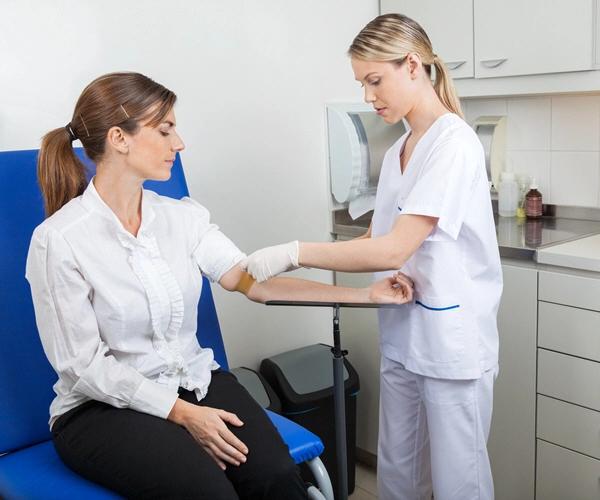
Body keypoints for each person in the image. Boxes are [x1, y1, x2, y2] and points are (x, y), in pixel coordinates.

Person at [25, 71, 414, 500]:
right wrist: (183, 414)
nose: (179, 143)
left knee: (278, 476)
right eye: (166, 129)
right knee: (210, 492)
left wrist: (365, 295)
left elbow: (254, 284)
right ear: (120, 138)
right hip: (101, 409)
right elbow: (84, 368)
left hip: (193, 381)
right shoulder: (60, 241)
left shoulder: (181, 218)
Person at [241, 13, 503, 500]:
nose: (368, 95)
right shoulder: (403, 146)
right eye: (362, 82)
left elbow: (397, 247)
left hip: (451, 341)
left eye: (375, 80)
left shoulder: (454, 143)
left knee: (457, 483)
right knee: (398, 474)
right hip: (403, 333)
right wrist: (300, 258)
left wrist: (294, 252)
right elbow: (379, 237)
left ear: (412, 65)